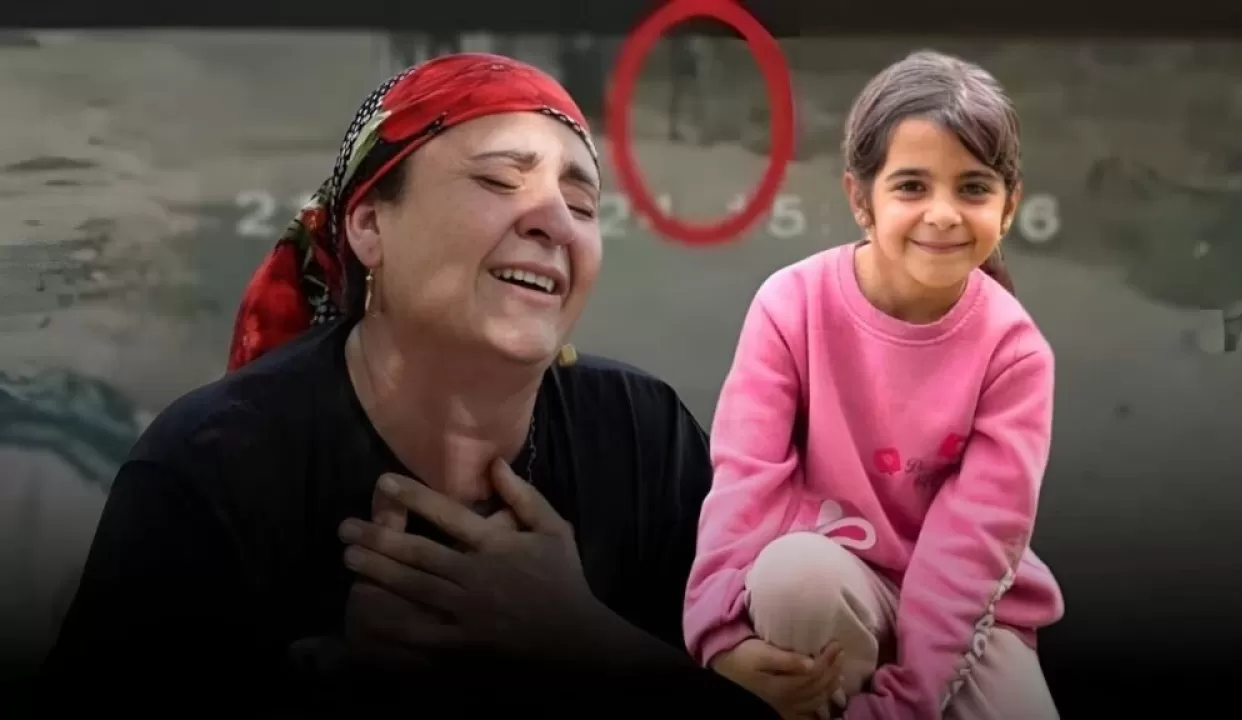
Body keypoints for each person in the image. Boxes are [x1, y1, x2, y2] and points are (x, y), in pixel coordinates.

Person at [40, 53, 777, 716]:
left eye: (583, 205)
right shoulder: (212, 466)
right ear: (368, 226)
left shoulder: (643, 434)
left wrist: (584, 644)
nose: (556, 219)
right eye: (498, 179)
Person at [683, 50, 1063, 720]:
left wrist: (905, 703)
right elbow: (746, 481)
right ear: (861, 199)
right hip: (836, 582)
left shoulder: (1016, 353)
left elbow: (971, 551)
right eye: (911, 186)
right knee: (794, 577)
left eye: (973, 188)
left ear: (1008, 207)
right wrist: (719, 634)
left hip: (967, 618)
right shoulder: (791, 306)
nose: (943, 213)